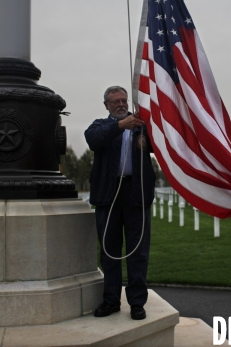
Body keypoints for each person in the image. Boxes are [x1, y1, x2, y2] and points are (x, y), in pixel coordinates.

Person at [84, 86, 156, 321]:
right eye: (115, 101)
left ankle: (136, 302)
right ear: (106, 105)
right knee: (109, 252)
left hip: (136, 194)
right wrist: (118, 126)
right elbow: (93, 140)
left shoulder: (141, 127)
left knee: (138, 252)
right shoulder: (100, 126)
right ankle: (111, 300)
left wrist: (147, 127)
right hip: (108, 195)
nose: (121, 104)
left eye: (124, 100)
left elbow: (161, 145)